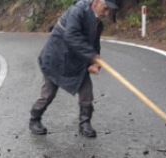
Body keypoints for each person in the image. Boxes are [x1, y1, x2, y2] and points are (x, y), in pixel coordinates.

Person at [29, 0, 117, 138]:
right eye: (105, 9)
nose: (107, 14)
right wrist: (92, 56)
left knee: (87, 93)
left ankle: (85, 123)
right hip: (56, 57)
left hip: (77, 61)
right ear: (97, 2)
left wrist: (95, 62)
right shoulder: (78, 11)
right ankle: (34, 119)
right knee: (48, 94)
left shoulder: (98, 23)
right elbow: (71, 36)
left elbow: (94, 44)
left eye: (109, 11)